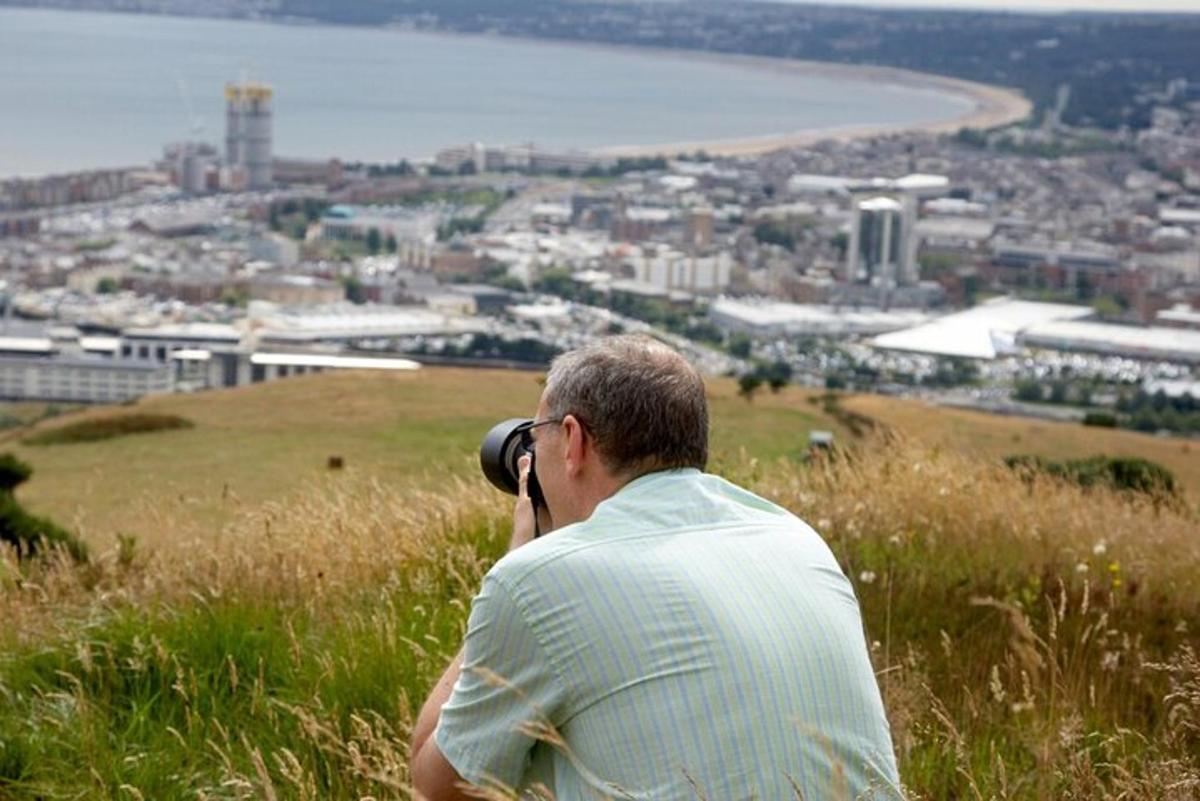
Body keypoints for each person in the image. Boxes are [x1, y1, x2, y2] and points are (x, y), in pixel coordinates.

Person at [410, 335, 901, 800]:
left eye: (536, 441)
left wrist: (521, 560)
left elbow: (439, 783)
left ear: (573, 439)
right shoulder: (797, 539)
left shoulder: (539, 579)